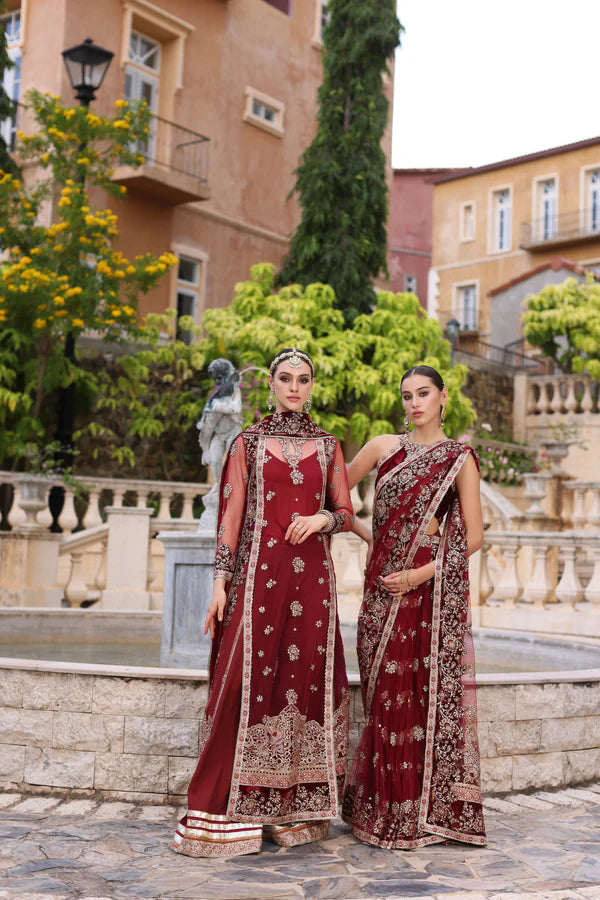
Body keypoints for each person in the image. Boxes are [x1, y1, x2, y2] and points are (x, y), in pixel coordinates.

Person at [174, 347, 355, 858]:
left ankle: (294, 811)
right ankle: (227, 815)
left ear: (312, 386)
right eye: (285, 378)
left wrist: (322, 520)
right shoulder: (247, 444)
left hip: (313, 583)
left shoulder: (328, 446)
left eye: (303, 379)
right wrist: (219, 585)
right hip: (259, 578)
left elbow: (344, 511)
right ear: (271, 384)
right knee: (245, 681)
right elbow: (229, 519)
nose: (294, 387)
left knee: (302, 683)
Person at [342, 365, 487, 849]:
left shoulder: (459, 458)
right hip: (381, 585)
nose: (414, 403)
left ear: (443, 396)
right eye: (406, 395)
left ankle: (413, 812)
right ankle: (381, 806)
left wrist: (421, 574)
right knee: (383, 694)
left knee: (418, 695)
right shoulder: (384, 446)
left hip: (425, 587)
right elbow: (335, 493)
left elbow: (475, 536)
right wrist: (369, 536)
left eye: (423, 393)